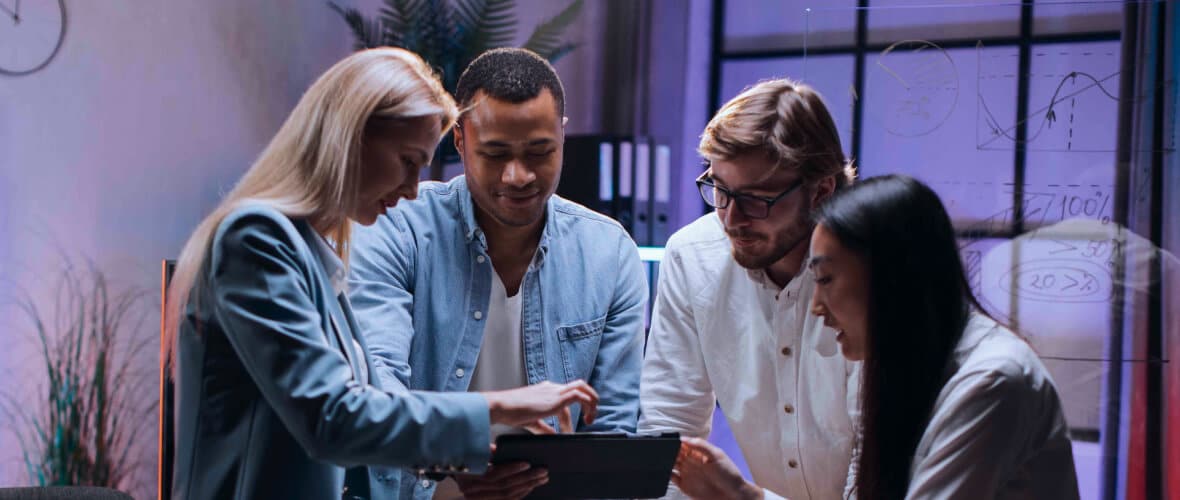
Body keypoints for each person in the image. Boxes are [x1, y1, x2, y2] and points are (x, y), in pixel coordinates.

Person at [165, 47, 600, 500]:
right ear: (349, 137)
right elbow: (333, 419)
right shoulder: (255, 240)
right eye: (408, 161)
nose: (413, 189)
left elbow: (371, 415)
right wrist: (502, 403)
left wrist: (461, 465)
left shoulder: (313, 252)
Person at [348, 48, 647, 499]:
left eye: (539, 152)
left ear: (562, 138)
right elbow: (378, 387)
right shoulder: (397, 226)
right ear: (460, 141)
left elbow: (613, 429)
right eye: (495, 153)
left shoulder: (610, 252)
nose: (518, 175)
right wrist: (453, 460)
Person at [674, 175, 1080, 499]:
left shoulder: (993, 381)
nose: (816, 306)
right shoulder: (908, 365)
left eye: (826, 279)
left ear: (891, 278)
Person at [638, 78, 860, 499]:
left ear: (822, 189)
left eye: (758, 198)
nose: (732, 219)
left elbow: (873, 477)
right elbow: (668, 436)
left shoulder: (869, 269)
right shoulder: (693, 256)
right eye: (720, 190)